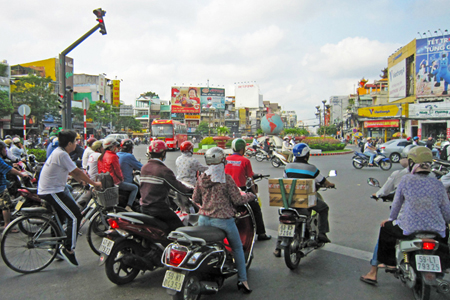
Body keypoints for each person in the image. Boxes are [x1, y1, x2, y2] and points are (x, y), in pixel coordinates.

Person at [360, 146, 450, 286]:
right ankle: (442, 267)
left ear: (412, 162)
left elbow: (396, 204)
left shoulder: (406, 179)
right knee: (445, 235)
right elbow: (446, 210)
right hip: (435, 230)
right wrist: (445, 223)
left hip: (409, 228)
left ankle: (389, 264)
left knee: (385, 228)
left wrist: (391, 219)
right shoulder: (437, 183)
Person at [193, 147, 255, 294]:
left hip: (203, 220)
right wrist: (251, 196)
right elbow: (238, 199)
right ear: (222, 160)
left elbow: (195, 199)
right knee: (237, 248)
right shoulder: (226, 179)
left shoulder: (202, 178)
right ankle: (242, 280)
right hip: (223, 221)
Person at [38, 131, 102, 266]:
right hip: (52, 191)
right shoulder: (62, 154)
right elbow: (76, 172)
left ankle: (54, 247)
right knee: (75, 216)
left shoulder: (58, 151)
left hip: (50, 189)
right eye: (75, 141)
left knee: (59, 218)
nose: (77, 144)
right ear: (69, 143)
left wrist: (82, 180)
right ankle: (69, 249)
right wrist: (94, 183)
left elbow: (72, 172)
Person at [273, 143, 335, 257]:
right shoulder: (311, 168)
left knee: (284, 221)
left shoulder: (288, 167)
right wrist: (330, 184)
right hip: (305, 200)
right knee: (324, 207)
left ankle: (277, 248)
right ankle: (322, 233)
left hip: (289, 200)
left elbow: (286, 181)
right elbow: (323, 182)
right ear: (307, 155)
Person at [140, 140, 193, 232]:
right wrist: (194, 192)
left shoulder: (144, 168)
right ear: (164, 153)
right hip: (158, 209)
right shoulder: (164, 170)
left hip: (144, 207)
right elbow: (180, 189)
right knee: (180, 230)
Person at [225, 138, 271, 241]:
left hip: (226, 191)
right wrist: (255, 194)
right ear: (242, 149)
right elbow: (250, 178)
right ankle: (261, 233)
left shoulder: (226, 159)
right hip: (240, 191)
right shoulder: (245, 161)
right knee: (256, 208)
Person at [98, 137, 135, 212]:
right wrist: (122, 179)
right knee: (135, 188)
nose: (117, 148)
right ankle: (129, 206)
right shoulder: (113, 156)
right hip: (115, 182)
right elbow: (118, 171)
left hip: (105, 182)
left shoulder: (102, 156)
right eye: (116, 146)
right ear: (110, 147)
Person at [0, 142, 29, 232]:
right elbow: (9, 169)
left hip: (3, 183)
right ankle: (7, 225)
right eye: (4, 149)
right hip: (0, 187)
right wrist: (21, 175)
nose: (6, 150)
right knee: (6, 205)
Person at [76, 140, 104, 209]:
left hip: (89, 176)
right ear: (98, 148)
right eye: (102, 147)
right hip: (95, 179)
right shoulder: (99, 155)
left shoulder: (92, 154)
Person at [116, 139, 141, 211]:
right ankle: (129, 206)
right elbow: (141, 167)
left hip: (116, 181)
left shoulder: (116, 154)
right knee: (138, 189)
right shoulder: (129, 156)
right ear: (131, 148)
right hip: (125, 181)